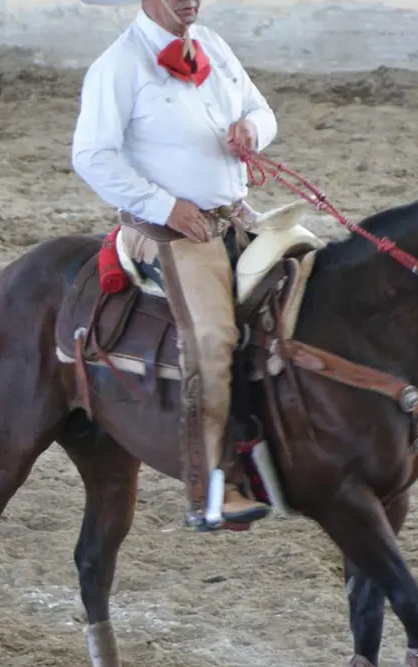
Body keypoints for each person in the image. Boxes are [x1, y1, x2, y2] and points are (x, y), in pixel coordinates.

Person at [71, 0, 276, 530]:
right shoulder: (116, 67)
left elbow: (262, 111)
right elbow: (92, 155)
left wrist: (252, 131)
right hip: (167, 232)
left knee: (315, 286)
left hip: (235, 216)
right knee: (211, 337)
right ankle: (213, 486)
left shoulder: (214, 46)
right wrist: (166, 207)